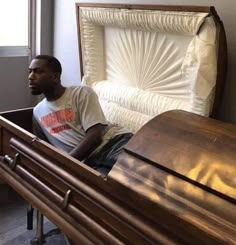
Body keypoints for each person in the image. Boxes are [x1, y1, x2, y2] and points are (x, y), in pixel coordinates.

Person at [28, 55, 133, 175]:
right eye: (30, 72)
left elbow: (95, 136)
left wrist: (65, 163)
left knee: (139, 178)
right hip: (87, 161)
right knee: (104, 189)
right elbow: (44, 148)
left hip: (112, 143)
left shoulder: (81, 93)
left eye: (38, 72)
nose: (31, 77)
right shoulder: (37, 112)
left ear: (55, 76)